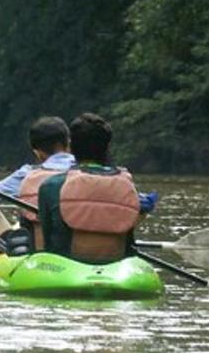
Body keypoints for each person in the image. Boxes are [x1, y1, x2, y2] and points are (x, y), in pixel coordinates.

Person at [33, 112, 155, 263]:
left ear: (71, 147)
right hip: (117, 267)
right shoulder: (127, 186)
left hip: (65, 268)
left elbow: (48, 242)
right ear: (108, 147)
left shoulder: (50, 186)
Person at [0, 116, 74, 240]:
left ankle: (6, 247)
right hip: (80, 241)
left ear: (37, 152)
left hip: (41, 244)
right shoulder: (87, 170)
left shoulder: (28, 174)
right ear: (68, 143)